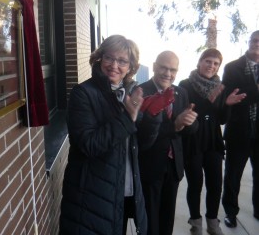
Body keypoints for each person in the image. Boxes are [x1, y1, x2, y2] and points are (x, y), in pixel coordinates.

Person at [59, 35, 150, 235]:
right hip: (90, 196)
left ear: (130, 67)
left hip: (124, 190)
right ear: (99, 58)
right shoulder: (82, 93)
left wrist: (156, 117)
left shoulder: (129, 94)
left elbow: (140, 144)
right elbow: (88, 144)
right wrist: (127, 118)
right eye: (109, 58)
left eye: (123, 61)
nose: (114, 65)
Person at [178, 49, 246, 235]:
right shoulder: (185, 85)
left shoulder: (220, 87)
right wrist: (213, 100)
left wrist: (228, 105)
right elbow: (191, 113)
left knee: (215, 184)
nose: (211, 66)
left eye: (216, 63)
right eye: (208, 61)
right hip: (193, 141)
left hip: (213, 142)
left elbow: (222, 119)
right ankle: (196, 224)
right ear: (199, 62)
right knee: (195, 184)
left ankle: (213, 223)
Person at [137, 50, 199, 235]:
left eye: (173, 70)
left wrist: (190, 121)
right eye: (163, 68)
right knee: (150, 218)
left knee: (167, 217)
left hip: (173, 166)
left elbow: (189, 130)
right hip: (150, 166)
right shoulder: (140, 92)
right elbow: (141, 133)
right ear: (154, 67)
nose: (168, 73)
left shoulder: (181, 92)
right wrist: (176, 125)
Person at [221, 30, 259, 228]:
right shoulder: (232, 67)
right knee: (233, 175)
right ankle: (230, 212)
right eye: (254, 40)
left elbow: (245, 93)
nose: (256, 43)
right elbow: (233, 96)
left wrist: (249, 91)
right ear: (248, 42)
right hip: (239, 132)